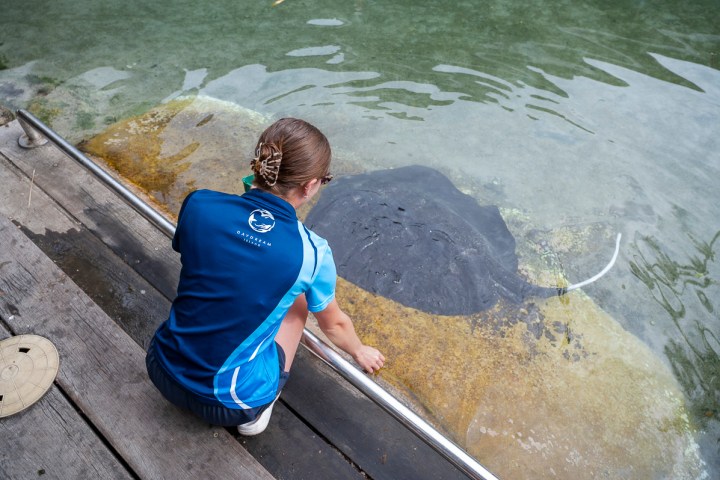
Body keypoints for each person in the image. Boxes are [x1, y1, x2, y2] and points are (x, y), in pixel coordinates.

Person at [146, 118, 385, 436]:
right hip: (231, 403)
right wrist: (358, 350)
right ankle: (255, 417)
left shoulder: (199, 204)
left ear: (259, 162)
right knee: (299, 297)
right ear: (311, 185)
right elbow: (334, 324)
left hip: (160, 367)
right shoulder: (312, 252)